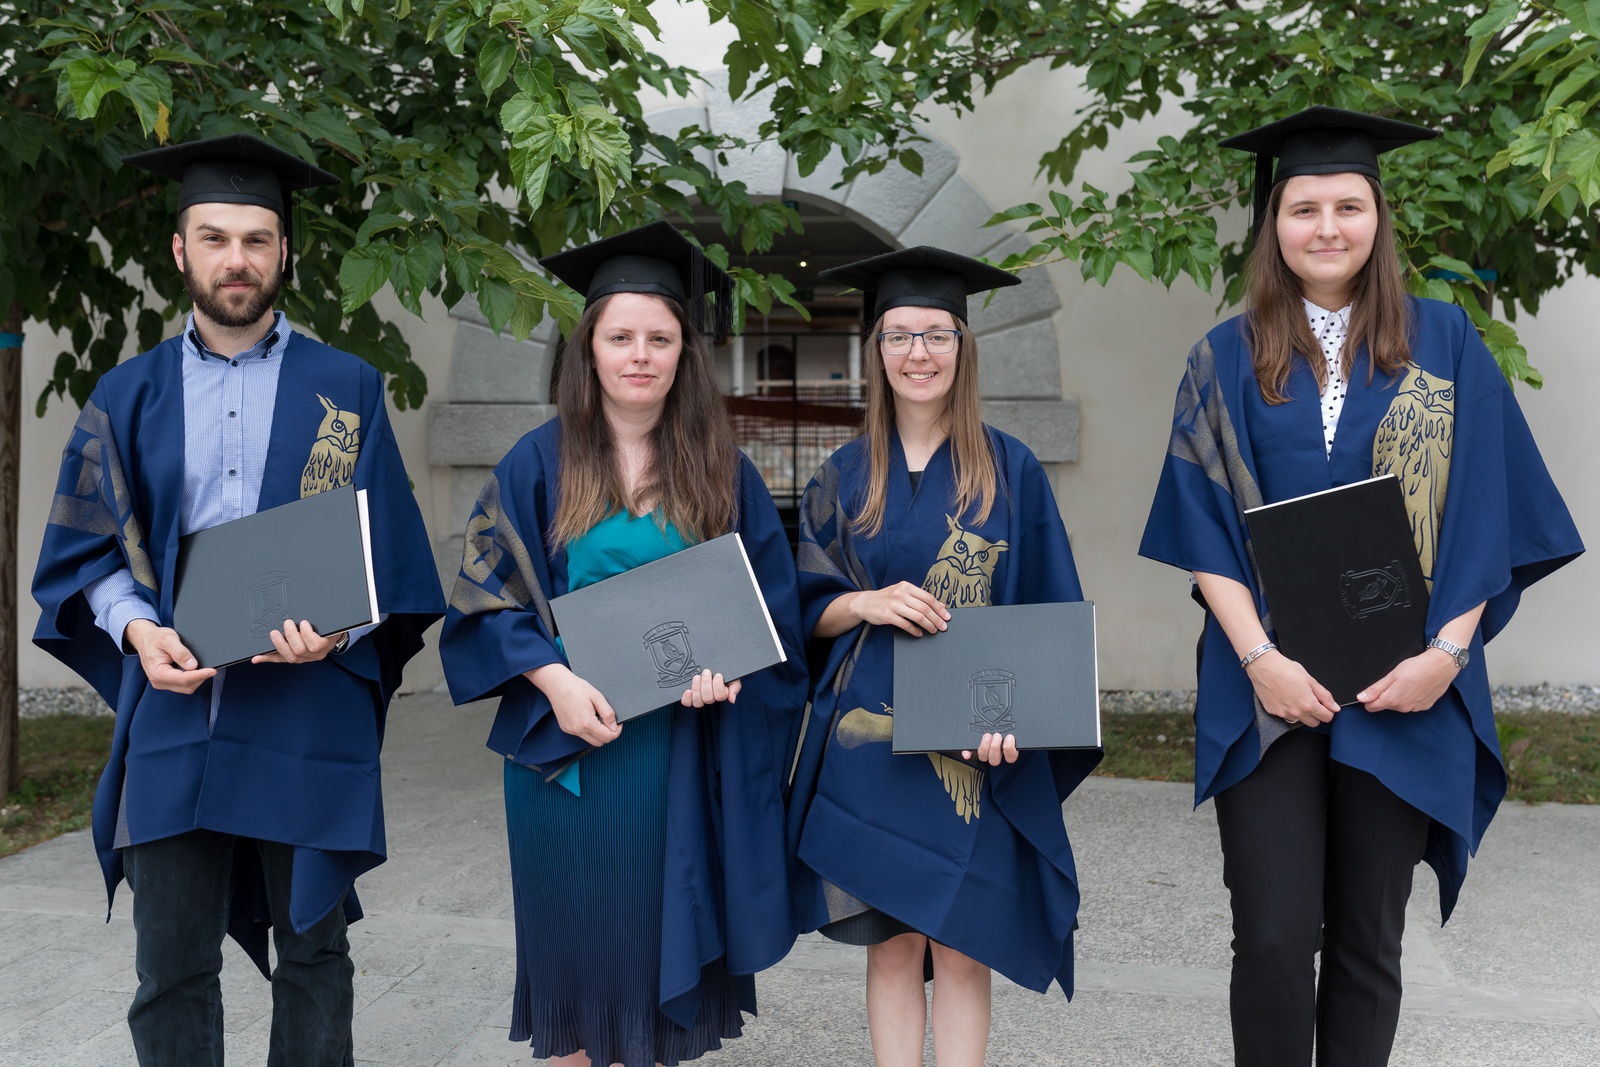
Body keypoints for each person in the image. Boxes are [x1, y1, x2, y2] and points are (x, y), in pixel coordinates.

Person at [1139, 106, 1584, 1067]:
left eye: (1349, 205)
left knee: (1368, 942)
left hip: (1406, 683)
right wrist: (1258, 658)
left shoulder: (1448, 342)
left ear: (1379, 219)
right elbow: (1203, 524)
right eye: (1305, 208)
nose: (1327, 226)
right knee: (1270, 935)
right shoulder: (1221, 356)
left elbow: (1487, 507)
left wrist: (1447, 655)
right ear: (1274, 225)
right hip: (1268, 687)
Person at [31, 133, 446, 1067]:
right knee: (170, 962)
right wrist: (136, 629)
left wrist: (341, 628)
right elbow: (85, 550)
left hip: (309, 707)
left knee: (315, 953)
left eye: (257, 239)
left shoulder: (346, 389)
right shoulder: (125, 395)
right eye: (214, 237)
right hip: (177, 707)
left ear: (285, 252)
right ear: (180, 250)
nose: (236, 259)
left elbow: (392, 561)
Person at [438, 222, 810, 1067]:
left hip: (681, 756)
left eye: (660, 337)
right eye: (620, 337)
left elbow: (772, 621)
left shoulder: (723, 471)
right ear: (589, 349)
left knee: (652, 976)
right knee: (579, 977)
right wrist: (553, 680)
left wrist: (735, 677)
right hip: (569, 755)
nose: (639, 355)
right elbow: (482, 598)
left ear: (684, 351)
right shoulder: (536, 464)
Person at [786, 247, 1102, 1067]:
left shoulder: (1011, 470)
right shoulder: (841, 476)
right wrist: (864, 602)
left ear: (963, 347)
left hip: (973, 749)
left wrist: (1017, 722)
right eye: (898, 335)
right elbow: (797, 612)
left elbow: (1049, 611)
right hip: (874, 745)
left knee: (963, 943)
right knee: (891, 945)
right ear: (876, 350)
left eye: (935, 334)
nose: (917, 353)